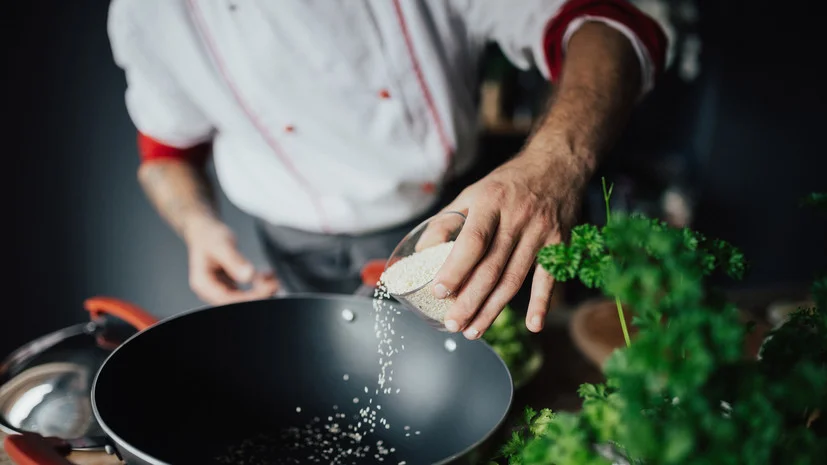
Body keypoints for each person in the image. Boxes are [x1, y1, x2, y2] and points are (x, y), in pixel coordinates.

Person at [107, 0, 667, 340]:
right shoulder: (150, 13)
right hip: (293, 248)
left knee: (484, 367)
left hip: (452, 222)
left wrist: (554, 167)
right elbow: (166, 153)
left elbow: (607, 24)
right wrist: (198, 226)